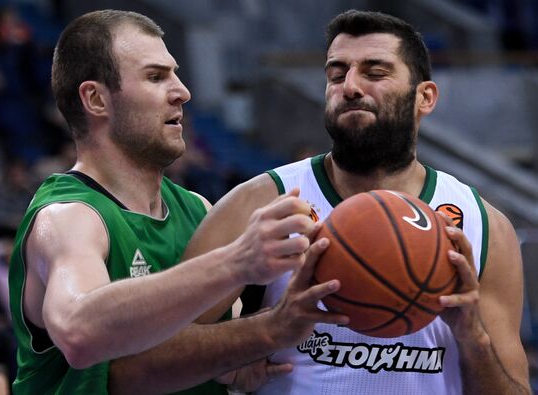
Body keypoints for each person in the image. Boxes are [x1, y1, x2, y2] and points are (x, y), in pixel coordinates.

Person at [182, 10, 531, 394]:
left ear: (425, 97)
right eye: (336, 74)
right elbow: (151, 354)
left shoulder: (483, 225)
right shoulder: (262, 202)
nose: (349, 86)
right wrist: (260, 333)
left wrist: (473, 336)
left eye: (375, 72)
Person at [7, 10, 349, 395]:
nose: (183, 91)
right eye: (156, 77)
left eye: (175, 73)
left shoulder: (197, 209)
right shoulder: (68, 217)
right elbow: (79, 332)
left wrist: (243, 360)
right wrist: (238, 262)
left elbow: (213, 351)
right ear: (95, 99)